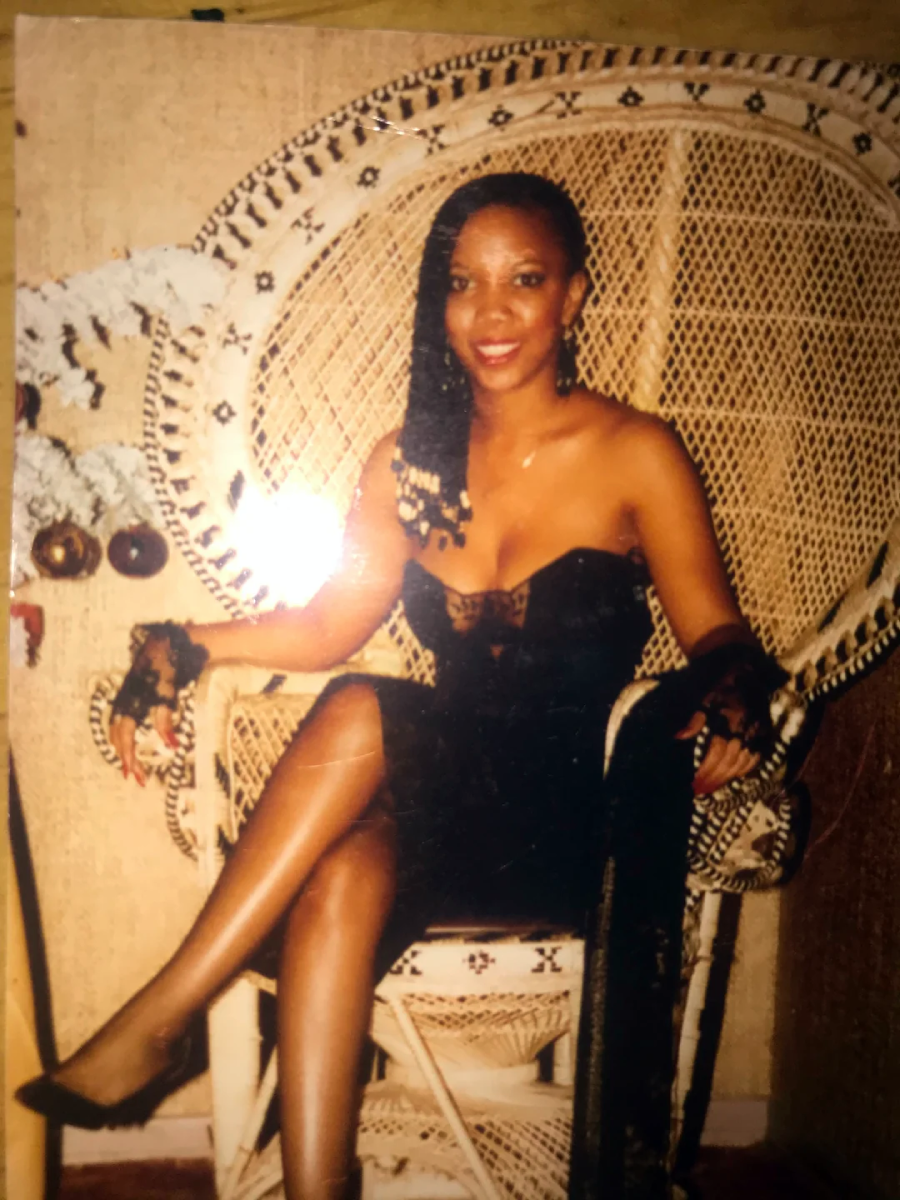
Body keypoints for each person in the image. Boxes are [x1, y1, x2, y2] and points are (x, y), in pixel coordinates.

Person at [18, 173, 784, 1199]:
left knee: (361, 704)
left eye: (525, 279)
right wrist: (181, 642)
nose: (493, 311)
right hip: (440, 811)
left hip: (573, 820)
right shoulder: (405, 464)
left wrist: (732, 691)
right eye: (463, 283)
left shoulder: (633, 451)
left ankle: (165, 1015)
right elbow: (331, 624)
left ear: (574, 295)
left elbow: (717, 629)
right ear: (439, 302)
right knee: (338, 878)